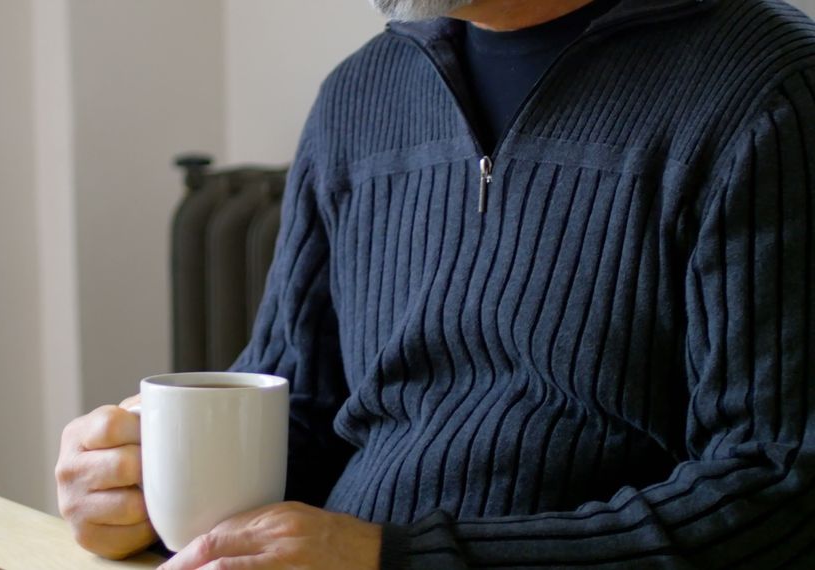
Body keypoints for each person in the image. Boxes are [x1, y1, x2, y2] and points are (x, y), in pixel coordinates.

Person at [56, 0, 815, 567]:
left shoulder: (770, 94)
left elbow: (779, 495)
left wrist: (396, 557)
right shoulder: (356, 98)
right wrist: (142, 486)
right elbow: (302, 413)